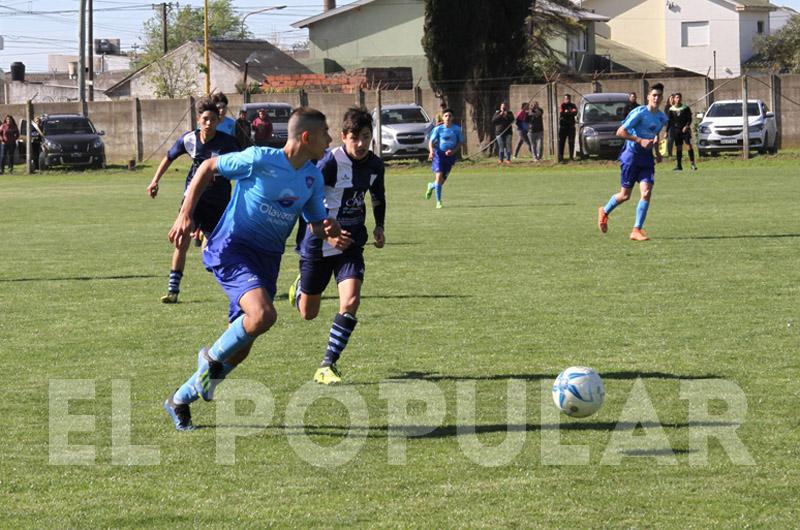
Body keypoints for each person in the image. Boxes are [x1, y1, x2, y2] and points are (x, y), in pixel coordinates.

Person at [163, 107, 349, 431]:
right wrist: (184, 214)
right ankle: (208, 361)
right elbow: (208, 166)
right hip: (233, 248)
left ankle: (180, 399)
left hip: (267, 260)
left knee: (243, 346)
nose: (330, 139)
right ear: (306, 137)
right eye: (325, 134)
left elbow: (314, 221)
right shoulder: (260, 159)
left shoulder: (313, 176)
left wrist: (327, 227)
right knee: (263, 316)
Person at [288, 107, 386, 385]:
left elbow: (378, 197)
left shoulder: (375, 165)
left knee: (351, 301)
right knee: (308, 313)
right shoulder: (329, 163)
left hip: (351, 242)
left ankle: (327, 364)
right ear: (343, 136)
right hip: (319, 242)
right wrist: (324, 233)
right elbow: (308, 203)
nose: (360, 143)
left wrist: (379, 226)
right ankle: (300, 288)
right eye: (354, 137)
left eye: (366, 137)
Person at [146, 98, 239, 304]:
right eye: (205, 119)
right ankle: (173, 291)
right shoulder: (189, 139)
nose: (209, 123)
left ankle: (235, 287)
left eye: (213, 119)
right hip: (192, 200)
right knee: (181, 242)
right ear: (198, 119)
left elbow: (243, 167)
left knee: (218, 249)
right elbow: (169, 157)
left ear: (218, 121)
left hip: (219, 202)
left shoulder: (228, 143)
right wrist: (154, 181)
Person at [597, 83, 668, 242]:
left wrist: (657, 153)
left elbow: (655, 134)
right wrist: (639, 140)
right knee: (625, 195)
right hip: (631, 157)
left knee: (646, 192)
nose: (656, 98)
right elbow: (620, 131)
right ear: (648, 97)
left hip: (647, 159)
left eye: (659, 96)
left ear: (662, 98)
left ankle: (636, 230)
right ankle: (605, 211)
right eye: (654, 95)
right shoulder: (639, 113)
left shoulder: (662, 117)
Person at [425, 108, 464, 209]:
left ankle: (431, 186)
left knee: (441, 181)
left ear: (453, 118)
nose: (448, 118)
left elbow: (460, 142)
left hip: (450, 157)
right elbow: (431, 142)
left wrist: (453, 151)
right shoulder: (438, 129)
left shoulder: (457, 129)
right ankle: (439, 202)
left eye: (450, 116)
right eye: (446, 116)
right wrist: (431, 151)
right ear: (443, 117)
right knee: (438, 177)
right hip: (439, 155)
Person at [667, 92, 697, 171]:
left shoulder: (685, 108)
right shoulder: (671, 109)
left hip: (685, 130)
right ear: (674, 99)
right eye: (676, 97)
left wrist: (687, 126)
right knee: (678, 147)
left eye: (679, 97)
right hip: (676, 130)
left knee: (688, 145)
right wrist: (666, 132)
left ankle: (693, 164)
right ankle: (679, 165)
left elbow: (689, 119)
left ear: (681, 99)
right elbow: (669, 122)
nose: (678, 99)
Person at [557, 94, 578, 162]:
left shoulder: (573, 105)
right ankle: (561, 157)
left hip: (571, 126)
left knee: (571, 142)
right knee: (561, 142)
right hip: (563, 127)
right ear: (564, 99)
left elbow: (575, 113)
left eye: (568, 98)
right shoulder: (562, 105)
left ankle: (571, 157)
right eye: (566, 98)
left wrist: (567, 112)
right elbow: (562, 114)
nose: (567, 99)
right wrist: (570, 112)